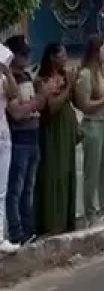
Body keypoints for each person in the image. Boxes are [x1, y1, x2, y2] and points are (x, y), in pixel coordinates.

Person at [4, 36, 49, 245]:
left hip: (33, 136)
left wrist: (38, 100)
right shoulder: (8, 80)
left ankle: (27, 228)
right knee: (16, 188)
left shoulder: (27, 77)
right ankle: (16, 231)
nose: (27, 57)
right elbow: (17, 113)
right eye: (22, 54)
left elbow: (35, 106)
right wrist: (39, 100)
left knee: (28, 187)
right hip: (19, 138)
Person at [75, 35, 104, 226]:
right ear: (95, 51)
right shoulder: (85, 74)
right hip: (92, 123)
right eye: (103, 49)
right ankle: (90, 212)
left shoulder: (103, 70)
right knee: (91, 171)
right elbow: (85, 105)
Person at [35, 43, 79, 236]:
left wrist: (73, 83)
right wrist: (68, 87)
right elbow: (51, 108)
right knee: (54, 174)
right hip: (53, 133)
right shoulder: (42, 80)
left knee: (68, 173)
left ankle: (67, 219)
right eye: (62, 54)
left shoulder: (63, 76)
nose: (65, 58)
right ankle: (52, 222)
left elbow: (76, 100)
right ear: (52, 57)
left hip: (67, 130)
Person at [0, 58, 20, 253]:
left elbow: (13, 94)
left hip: (4, 136)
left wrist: (7, 73)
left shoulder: (3, 75)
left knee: (2, 190)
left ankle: (0, 238)